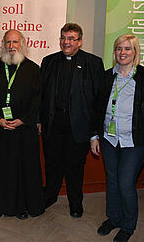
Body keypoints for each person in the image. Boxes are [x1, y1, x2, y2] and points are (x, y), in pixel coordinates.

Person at [0, 29, 44, 220]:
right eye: (8, 42)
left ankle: (20, 207)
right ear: (3, 44)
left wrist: (23, 119)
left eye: (15, 42)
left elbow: (37, 99)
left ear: (22, 44)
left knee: (22, 169)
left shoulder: (33, 69)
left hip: (23, 129)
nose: (11, 46)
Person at [38, 23, 104, 217]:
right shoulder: (48, 61)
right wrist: (39, 120)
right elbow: (41, 94)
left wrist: (94, 132)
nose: (66, 42)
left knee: (75, 167)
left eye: (71, 38)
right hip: (53, 123)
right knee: (52, 163)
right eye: (63, 38)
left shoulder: (93, 63)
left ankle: (76, 203)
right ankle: (50, 196)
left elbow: (98, 100)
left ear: (80, 41)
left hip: (79, 126)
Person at [90, 34, 144, 242]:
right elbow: (96, 109)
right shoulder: (107, 77)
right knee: (113, 180)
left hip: (134, 141)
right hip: (109, 138)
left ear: (135, 52)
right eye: (119, 49)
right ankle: (114, 218)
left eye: (127, 49)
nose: (122, 53)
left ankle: (128, 224)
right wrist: (94, 136)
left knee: (125, 183)